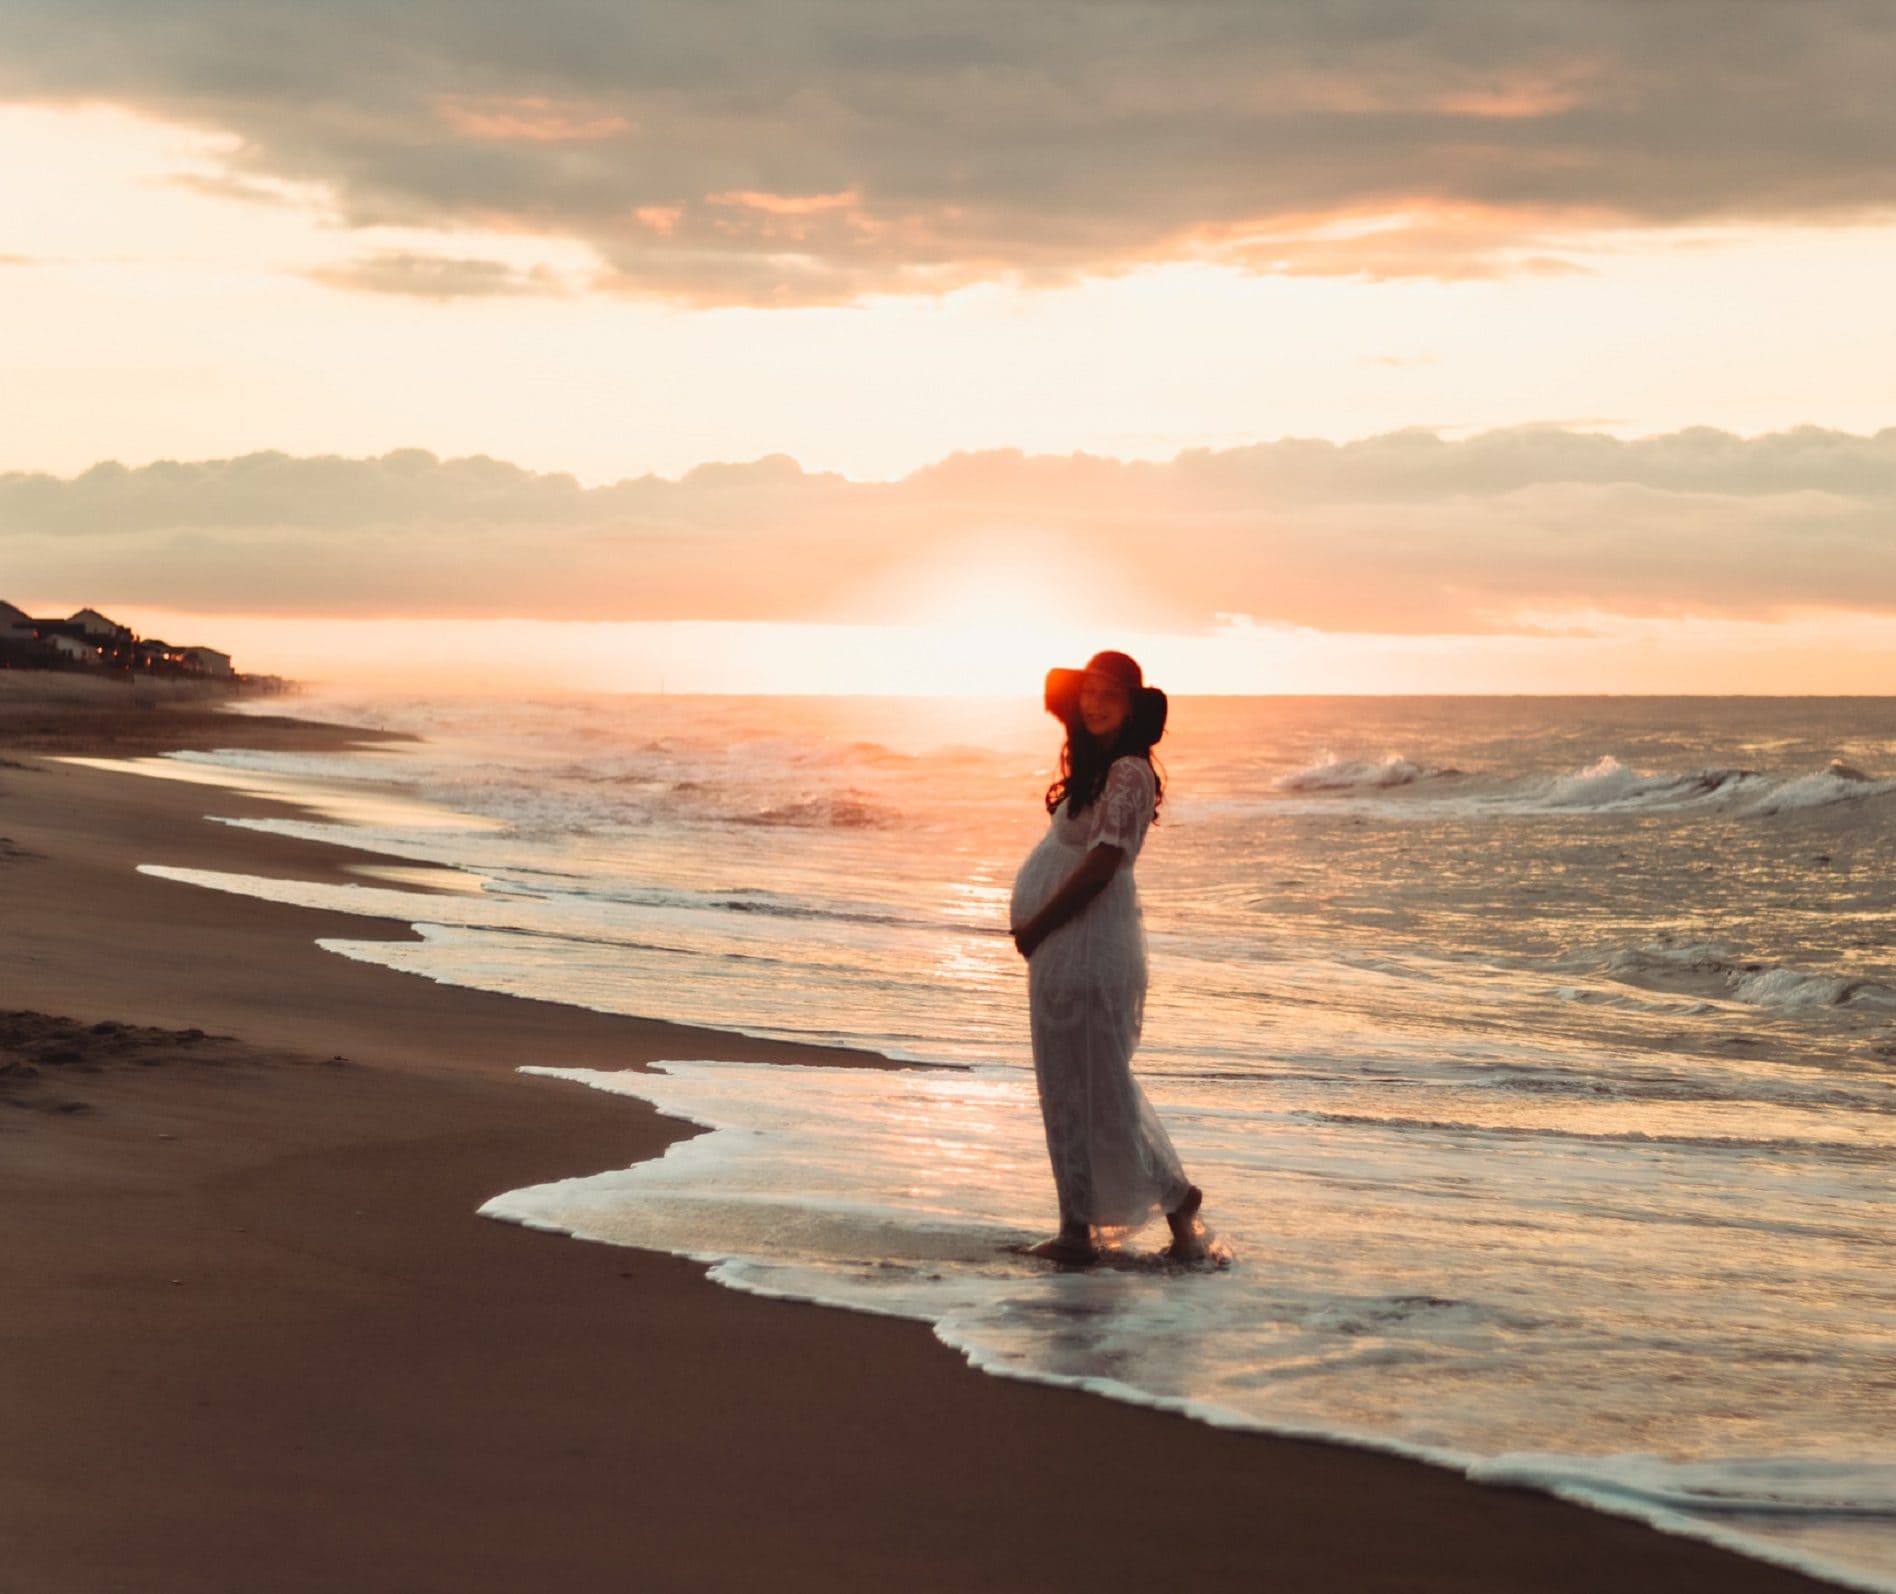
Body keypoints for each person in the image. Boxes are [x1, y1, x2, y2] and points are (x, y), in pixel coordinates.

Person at [1008, 650, 1206, 1265]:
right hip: (1065, 951)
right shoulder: (1094, 770)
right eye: (1088, 691)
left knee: (1100, 1088)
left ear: (1132, 707)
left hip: (1089, 948)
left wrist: (1039, 923)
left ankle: (1170, 1206)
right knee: (1065, 1088)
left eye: (1110, 695)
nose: (1094, 702)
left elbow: (1102, 864)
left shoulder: (1127, 772)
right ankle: (1077, 1226)